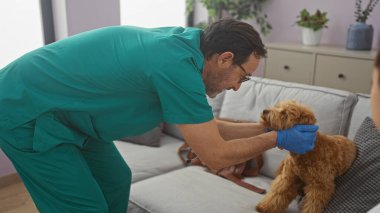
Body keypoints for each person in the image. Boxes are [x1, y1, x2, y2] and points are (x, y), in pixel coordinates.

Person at [0, 19, 318, 212]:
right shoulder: (176, 66)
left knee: (116, 179)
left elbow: (209, 129)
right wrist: (277, 138)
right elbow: (216, 155)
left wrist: (265, 126)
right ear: (225, 58)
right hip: (26, 108)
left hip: (73, 117)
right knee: (83, 207)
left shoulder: (191, 49)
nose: (237, 87)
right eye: (243, 76)